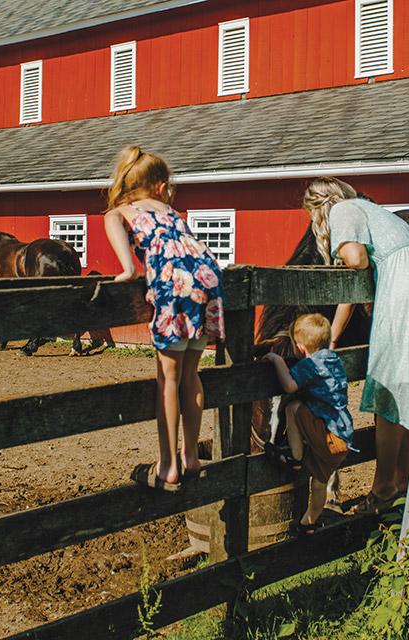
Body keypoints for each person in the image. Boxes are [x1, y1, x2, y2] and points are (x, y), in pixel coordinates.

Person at [302, 177, 409, 515]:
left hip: (403, 298)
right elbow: (355, 283)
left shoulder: (343, 210)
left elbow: (355, 259)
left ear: (320, 207)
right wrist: (333, 336)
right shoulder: (377, 214)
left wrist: (339, 247)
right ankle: (403, 482)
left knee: (389, 393)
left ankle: (383, 486)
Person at [104, 146, 226, 492]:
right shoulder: (172, 212)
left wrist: (128, 267)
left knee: (168, 379)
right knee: (191, 375)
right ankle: (191, 456)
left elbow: (110, 219)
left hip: (175, 286)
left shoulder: (126, 210)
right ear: (160, 186)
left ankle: (168, 465)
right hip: (207, 282)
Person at [262, 313, 356, 533]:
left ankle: (294, 456)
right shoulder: (334, 360)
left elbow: (289, 386)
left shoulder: (311, 364)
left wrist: (278, 361)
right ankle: (308, 522)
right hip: (344, 439)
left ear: (301, 349)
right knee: (320, 482)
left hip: (327, 436)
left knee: (292, 407)